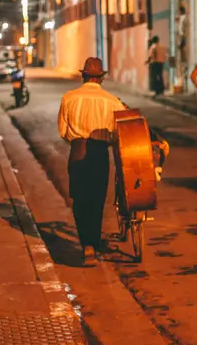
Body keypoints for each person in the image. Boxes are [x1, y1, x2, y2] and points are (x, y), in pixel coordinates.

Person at [58, 57, 127, 266]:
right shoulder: (112, 101)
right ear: (101, 78)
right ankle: (93, 245)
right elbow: (119, 133)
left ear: (83, 76)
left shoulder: (69, 98)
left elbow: (62, 131)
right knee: (97, 201)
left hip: (78, 151)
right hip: (99, 153)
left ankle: (86, 244)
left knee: (80, 199)